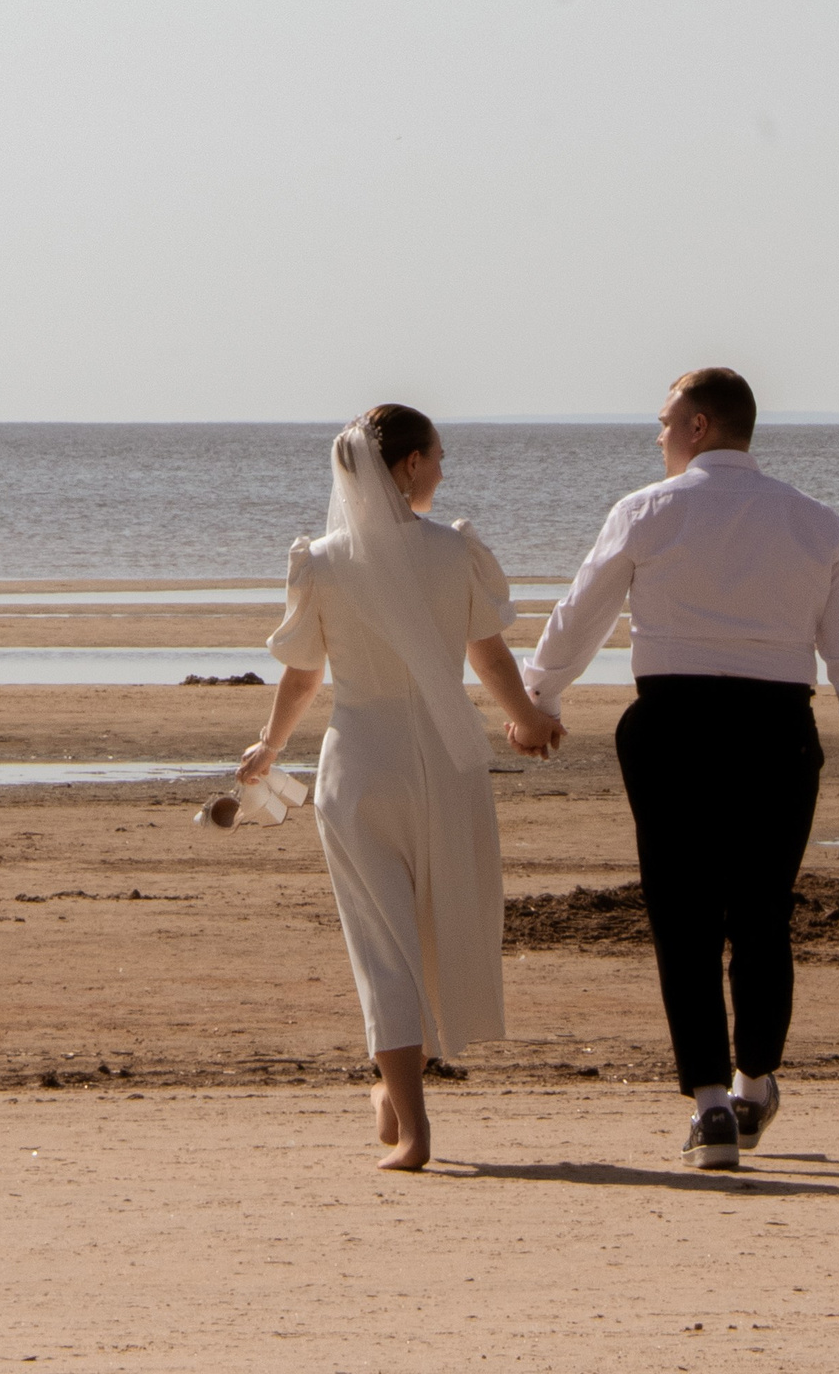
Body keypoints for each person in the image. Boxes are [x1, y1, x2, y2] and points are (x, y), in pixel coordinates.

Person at [521, 368, 839, 1171]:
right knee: (762, 914)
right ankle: (752, 1080)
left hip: (675, 727)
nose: (657, 435)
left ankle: (711, 1105)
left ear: (698, 426)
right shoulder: (815, 522)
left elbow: (581, 614)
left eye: (666, 421)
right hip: (776, 731)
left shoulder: (646, 510)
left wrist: (538, 700)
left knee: (683, 916)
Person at [239, 404, 562, 1172]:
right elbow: (489, 658)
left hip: (362, 763)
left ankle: (409, 1120)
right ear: (410, 465)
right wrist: (530, 722)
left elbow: (303, 675)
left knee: (383, 942)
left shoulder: (322, 562)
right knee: (435, 927)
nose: (443, 470)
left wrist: (270, 744)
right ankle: (399, 1096)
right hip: (448, 762)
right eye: (437, 457)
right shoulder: (454, 550)